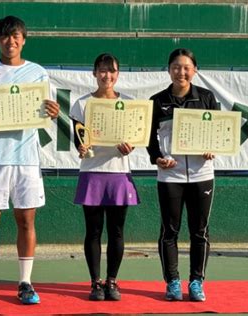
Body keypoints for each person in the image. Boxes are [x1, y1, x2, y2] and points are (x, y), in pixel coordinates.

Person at [0, 15, 60, 306]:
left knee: (26, 220)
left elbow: (46, 110)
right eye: (5, 36)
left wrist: (52, 110)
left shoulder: (38, 73)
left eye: (16, 36)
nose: (10, 41)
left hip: (27, 160)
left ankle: (25, 283)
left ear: (24, 39)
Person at [147, 48, 219, 302]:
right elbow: (149, 139)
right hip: (170, 176)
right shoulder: (157, 101)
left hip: (202, 174)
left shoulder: (207, 98)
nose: (181, 72)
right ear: (169, 70)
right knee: (170, 230)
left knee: (200, 231)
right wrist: (157, 158)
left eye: (187, 67)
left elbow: (218, 132)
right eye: (176, 67)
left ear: (195, 70)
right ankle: (173, 282)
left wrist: (213, 147)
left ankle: (197, 282)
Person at [69, 53, 140, 301]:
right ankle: (95, 283)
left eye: (111, 71)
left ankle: (112, 281)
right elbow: (79, 141)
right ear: (94, 73)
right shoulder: (81, 104)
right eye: (102, 70)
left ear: (118, 74)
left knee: (117, 231)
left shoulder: (129, 103)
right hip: (92, 173)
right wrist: (81, 148)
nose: (106, 75)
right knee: (93, 231)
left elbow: (136, 137)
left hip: (120, 174)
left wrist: (130, 146)